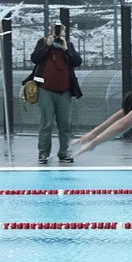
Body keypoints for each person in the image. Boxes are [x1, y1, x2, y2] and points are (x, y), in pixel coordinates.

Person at [30, 23, 83, 164]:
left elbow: (77, 62)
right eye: (57, 30)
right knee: (46, 123)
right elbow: (35, 58)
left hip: (64, 91)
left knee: (65, 123)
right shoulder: (42, 43)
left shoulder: (68, 45)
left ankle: (64, 152)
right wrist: (47, 45)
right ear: (51, 31)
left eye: (62, 30)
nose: (60, 33)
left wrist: (66, 49)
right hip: (45, 89)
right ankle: (43, 152)